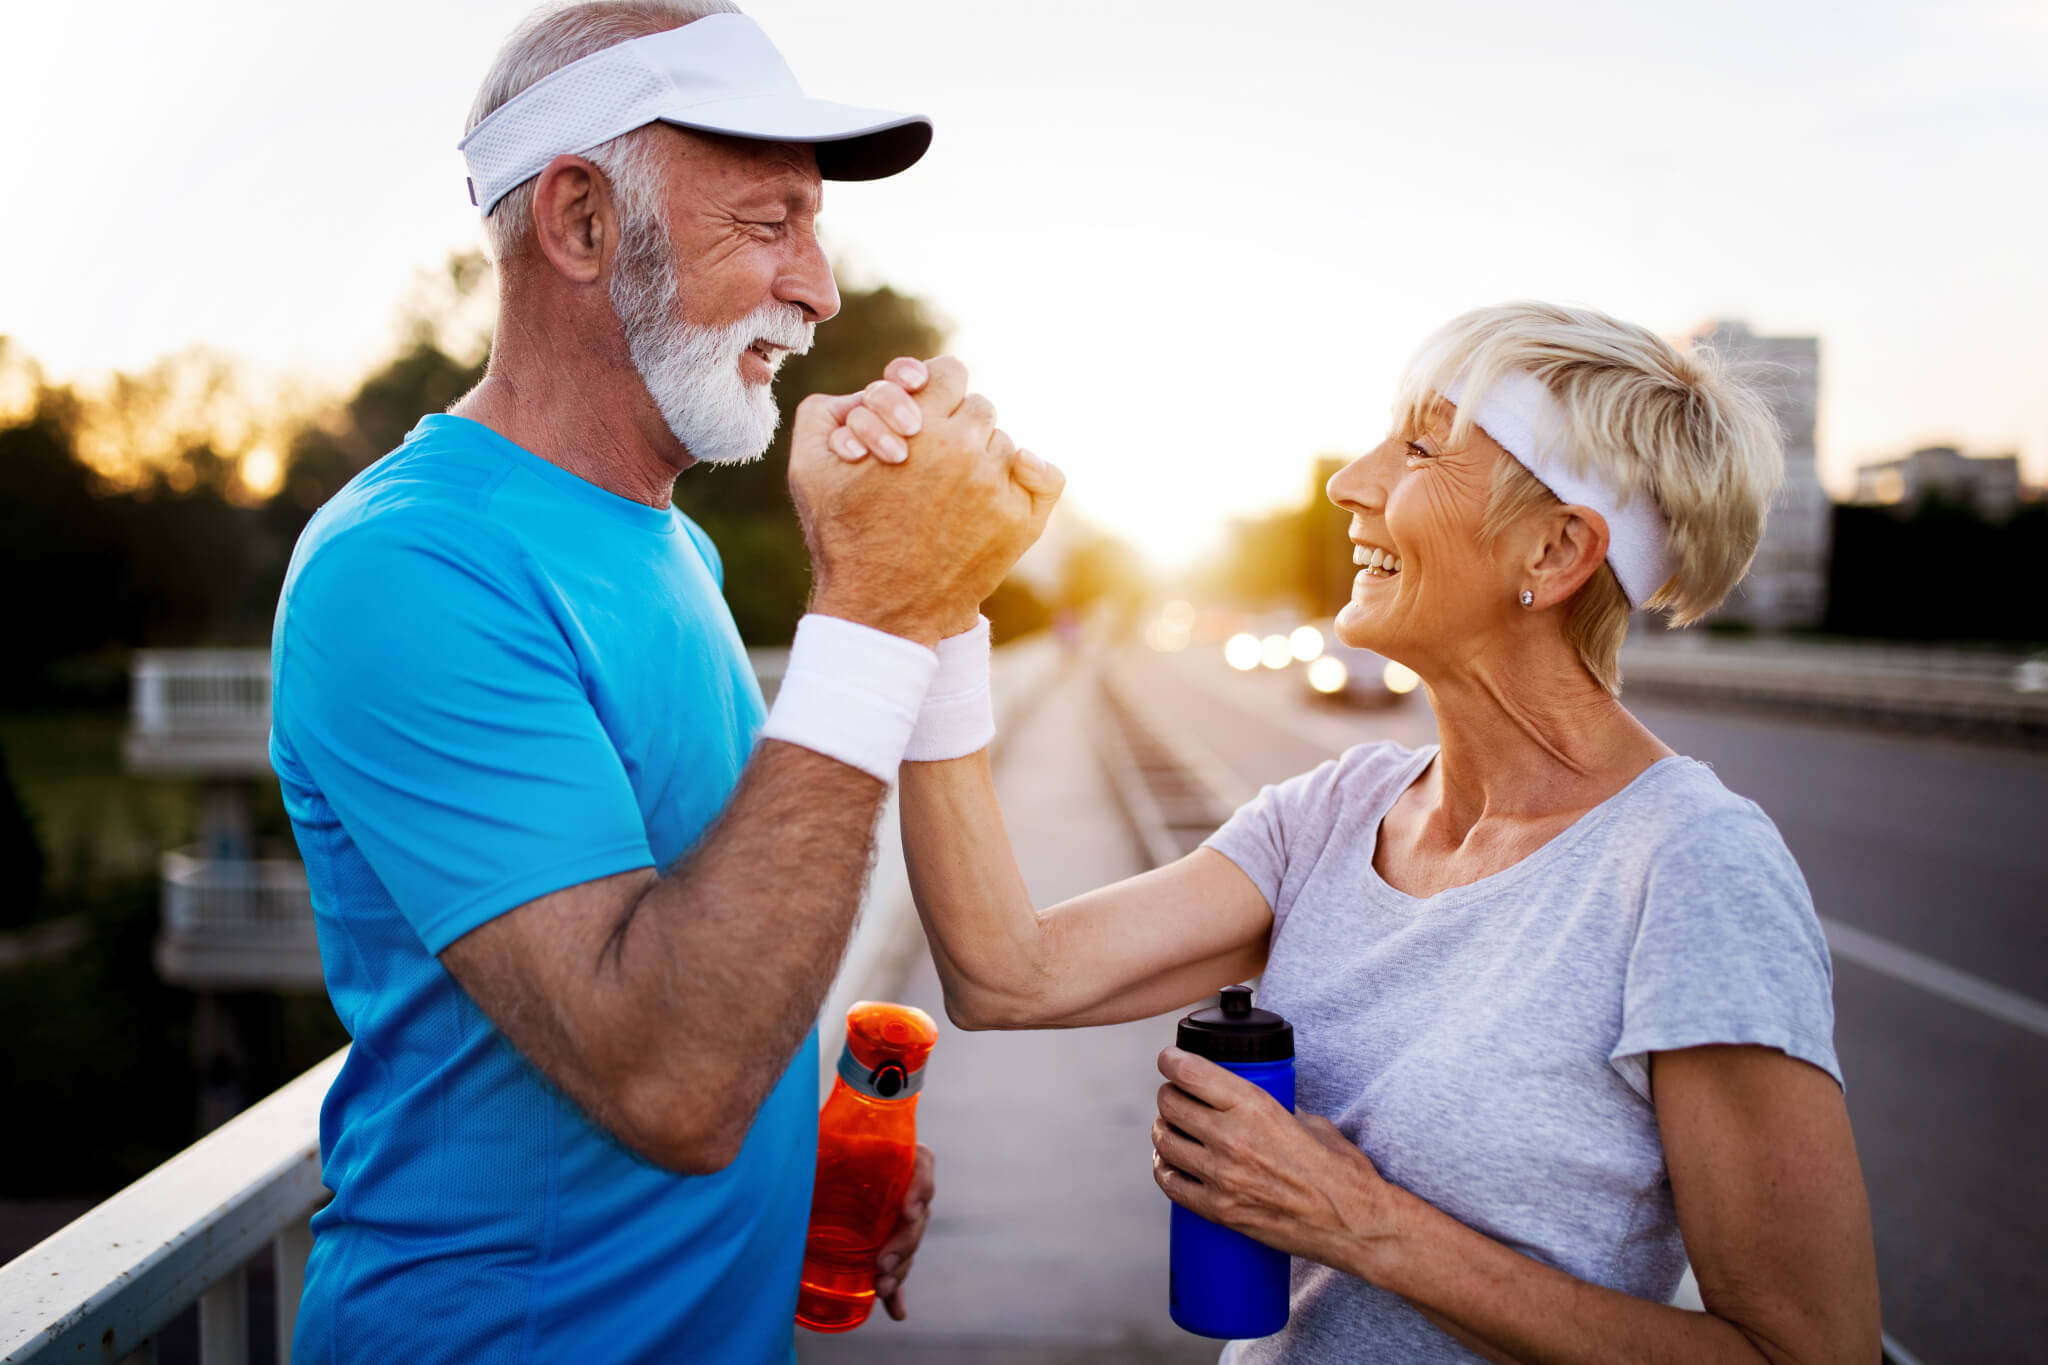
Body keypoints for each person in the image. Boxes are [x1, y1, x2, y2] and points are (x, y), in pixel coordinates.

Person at [844, 301, 1881, 1361]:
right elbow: (1006, 975)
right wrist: (939, 600)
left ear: (1557, 546)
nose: (1349, 482)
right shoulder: (1338, 812)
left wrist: (1365, 1225)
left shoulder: (1691, 867)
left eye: (1421, 448)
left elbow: (1805, 1352)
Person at [267, 4, 1060, 1361]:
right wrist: (879, 606)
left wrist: (789, 1163)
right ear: (581, 222)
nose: (820, 288)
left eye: (815, 228)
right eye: (767, 224)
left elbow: (698, 945)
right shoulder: (408, 568)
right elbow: (673, 1084)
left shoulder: (671, 544)